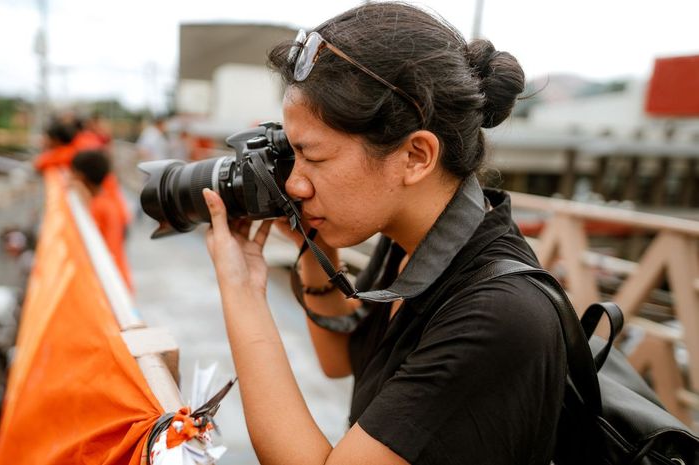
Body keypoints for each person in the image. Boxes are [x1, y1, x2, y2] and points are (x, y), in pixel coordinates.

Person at [200, 3, 566, 465]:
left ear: (415, 156)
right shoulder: (416, 238)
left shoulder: (495, 314)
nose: (294, 183)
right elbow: (341, 358)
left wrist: (242, 290)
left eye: (314, 157)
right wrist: (314, 246)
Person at [70, 150, 133, 290]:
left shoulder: (98, 208)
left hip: (110, 284)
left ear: (80, 177)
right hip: (118, 279)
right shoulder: (106, 201)